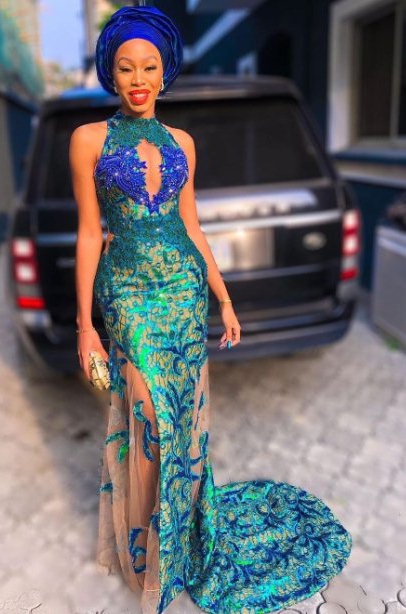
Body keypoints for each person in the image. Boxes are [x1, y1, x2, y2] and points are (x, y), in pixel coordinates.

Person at [69, 6, 352, 614]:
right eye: (126, 67)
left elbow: (192, 226)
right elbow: (89, 233)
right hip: (127, 293)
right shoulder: (87, 140)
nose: (138, 78)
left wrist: (224, 298)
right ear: (111, 73)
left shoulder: (184, 144)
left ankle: (182, 541)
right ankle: (149, 551)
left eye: (149, 66)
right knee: (149, 416)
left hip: (183, 291)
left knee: (183, 416)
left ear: (164, 72)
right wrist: (85, 326)